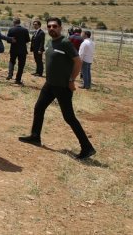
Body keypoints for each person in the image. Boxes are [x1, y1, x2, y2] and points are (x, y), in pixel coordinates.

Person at [19, 17, 96, 160]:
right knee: (39, 108)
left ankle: (87, 147)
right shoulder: (50, 42)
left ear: (60, 28)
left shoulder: (65, 42)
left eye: (54, 26)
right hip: (49, 84)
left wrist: (72, 80)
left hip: (62, 86)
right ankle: (35, 136)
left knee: (69, 117)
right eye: (49, 26)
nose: (51, 28)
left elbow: (78, 62)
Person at [5, 18, 30, 84]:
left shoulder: (11, 29)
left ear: (14, 22)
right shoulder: (25, 30)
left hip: (13, 49)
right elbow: (27, 40)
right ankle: (18, 79)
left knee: (12, 61)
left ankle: (10, 75)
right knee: (21, 65)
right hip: (22, 50)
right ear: (19, 22)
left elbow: (8, 40)